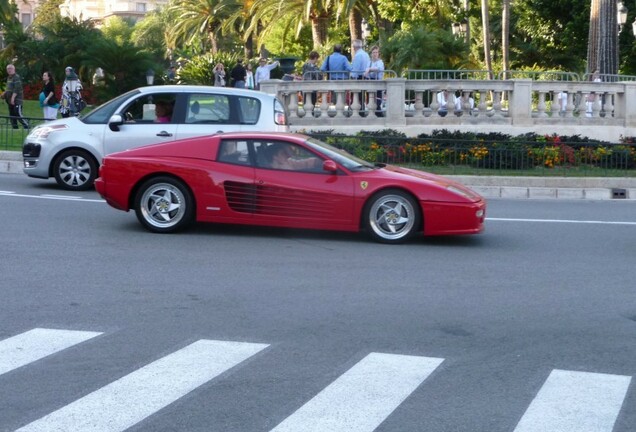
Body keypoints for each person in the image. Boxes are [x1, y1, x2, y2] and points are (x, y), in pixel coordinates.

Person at [3, 64, 29, 129]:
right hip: (9, 100)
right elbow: (8, 88)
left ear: (14, 69)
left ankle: (27, 126)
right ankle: (15, 129)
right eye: (8, 69)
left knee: (18, 114)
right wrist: (4, 93)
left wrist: (13, 98)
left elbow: (17, 88)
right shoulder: (9, 78)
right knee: (12, 115)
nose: (9, 70)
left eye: (10, 68)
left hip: (17, 100)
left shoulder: (16, 77)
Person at [364, 45, 385, 117]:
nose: (375, 54)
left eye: (376, 52)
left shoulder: (380, 62)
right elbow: (366, 72)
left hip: (378, 82)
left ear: (378, 53)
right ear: (371, 53)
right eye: (373, 52)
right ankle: (372, 113)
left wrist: (370, 69)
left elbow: (379, 68)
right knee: (370, 99)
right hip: (370, 82)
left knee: (378, 99)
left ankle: (379, 114)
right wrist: (367, 73)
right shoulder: (369, 62)